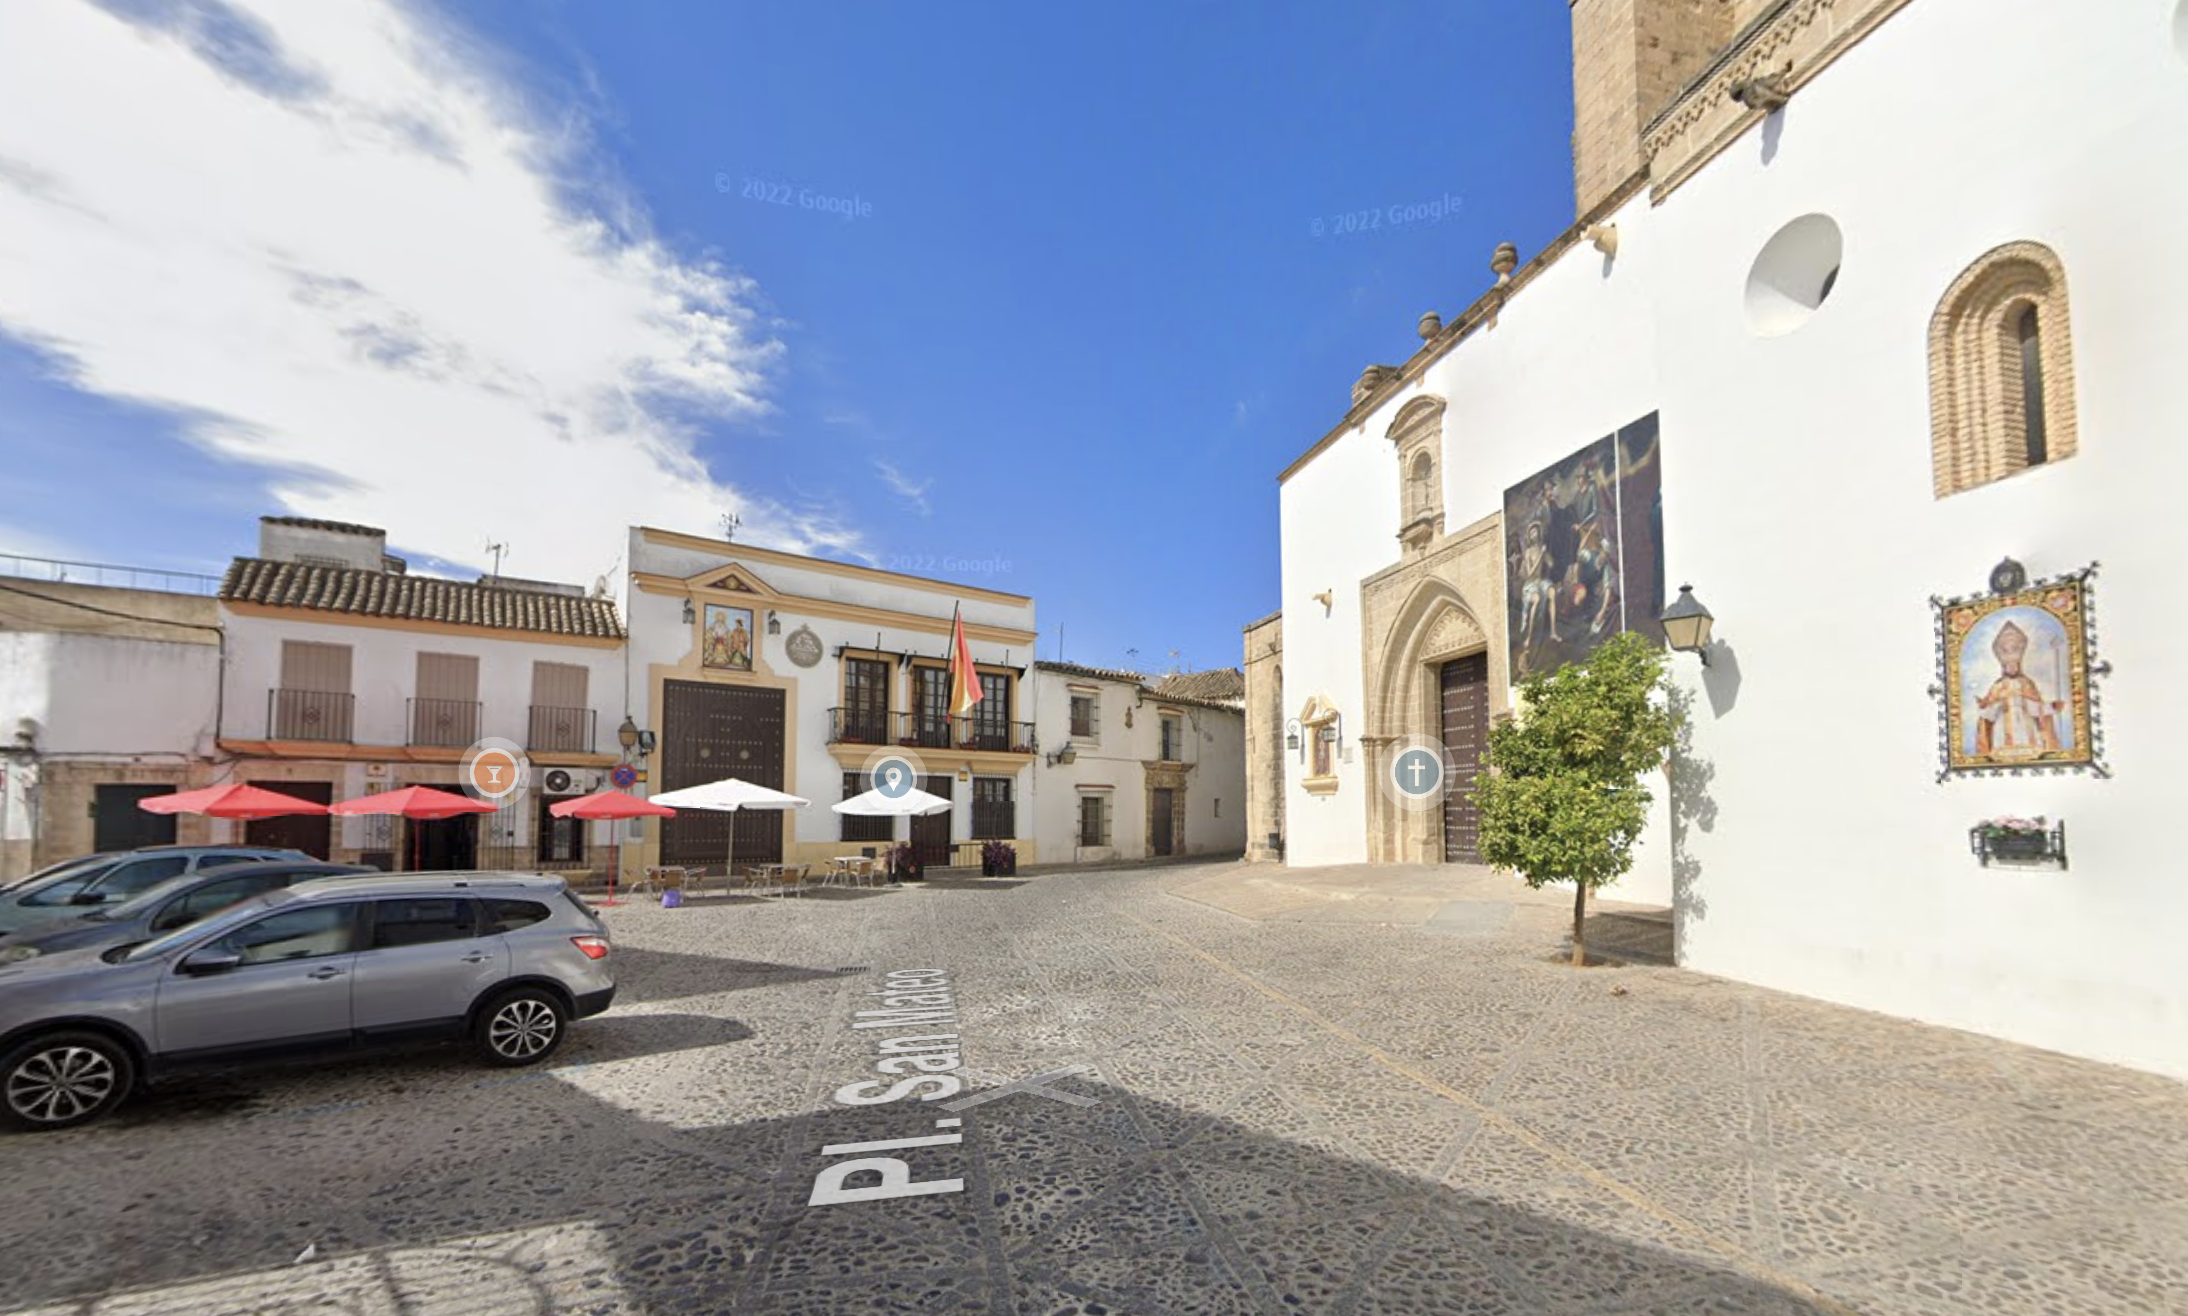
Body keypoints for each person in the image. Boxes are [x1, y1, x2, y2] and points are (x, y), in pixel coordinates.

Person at [1974, 620, 2060, 758]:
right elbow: (1991, 711)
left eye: (2014, 665)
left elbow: (2035, 707)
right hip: (2003, 722)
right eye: (2009, 665)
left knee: (2029, 749)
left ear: (2019, 666)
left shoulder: (2027, 683)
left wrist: (2051, 707)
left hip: (2025, 721)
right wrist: (1985, 706)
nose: (2012, 667)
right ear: (2004, 667)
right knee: (2003, 750)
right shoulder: (1997, 686)